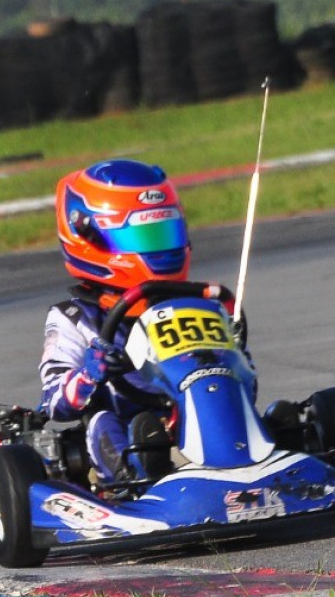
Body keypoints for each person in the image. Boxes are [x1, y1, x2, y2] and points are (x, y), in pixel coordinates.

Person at [39, 159, 231, 484]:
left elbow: (243, 379)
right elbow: (53, 403)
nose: (159, 247)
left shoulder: (198, 305)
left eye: (164, 233)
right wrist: (88, 375)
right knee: (103, 420)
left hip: (193, 420)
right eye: (143, 237)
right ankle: (138, 477)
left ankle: (267, 448)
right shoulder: (75, 318)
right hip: (129, 437)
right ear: (88, 239)